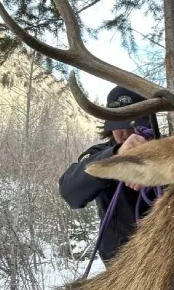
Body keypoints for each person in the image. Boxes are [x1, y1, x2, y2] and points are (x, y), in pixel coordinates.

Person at [59, 86, 158, 266]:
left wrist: (155, 170)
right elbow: (69, 190)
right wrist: (116, 158)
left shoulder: (165, 151)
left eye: (133, 125)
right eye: (118, 126)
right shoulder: (100, 154)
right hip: (123, 269)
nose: (126, 134)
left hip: (168, 258)